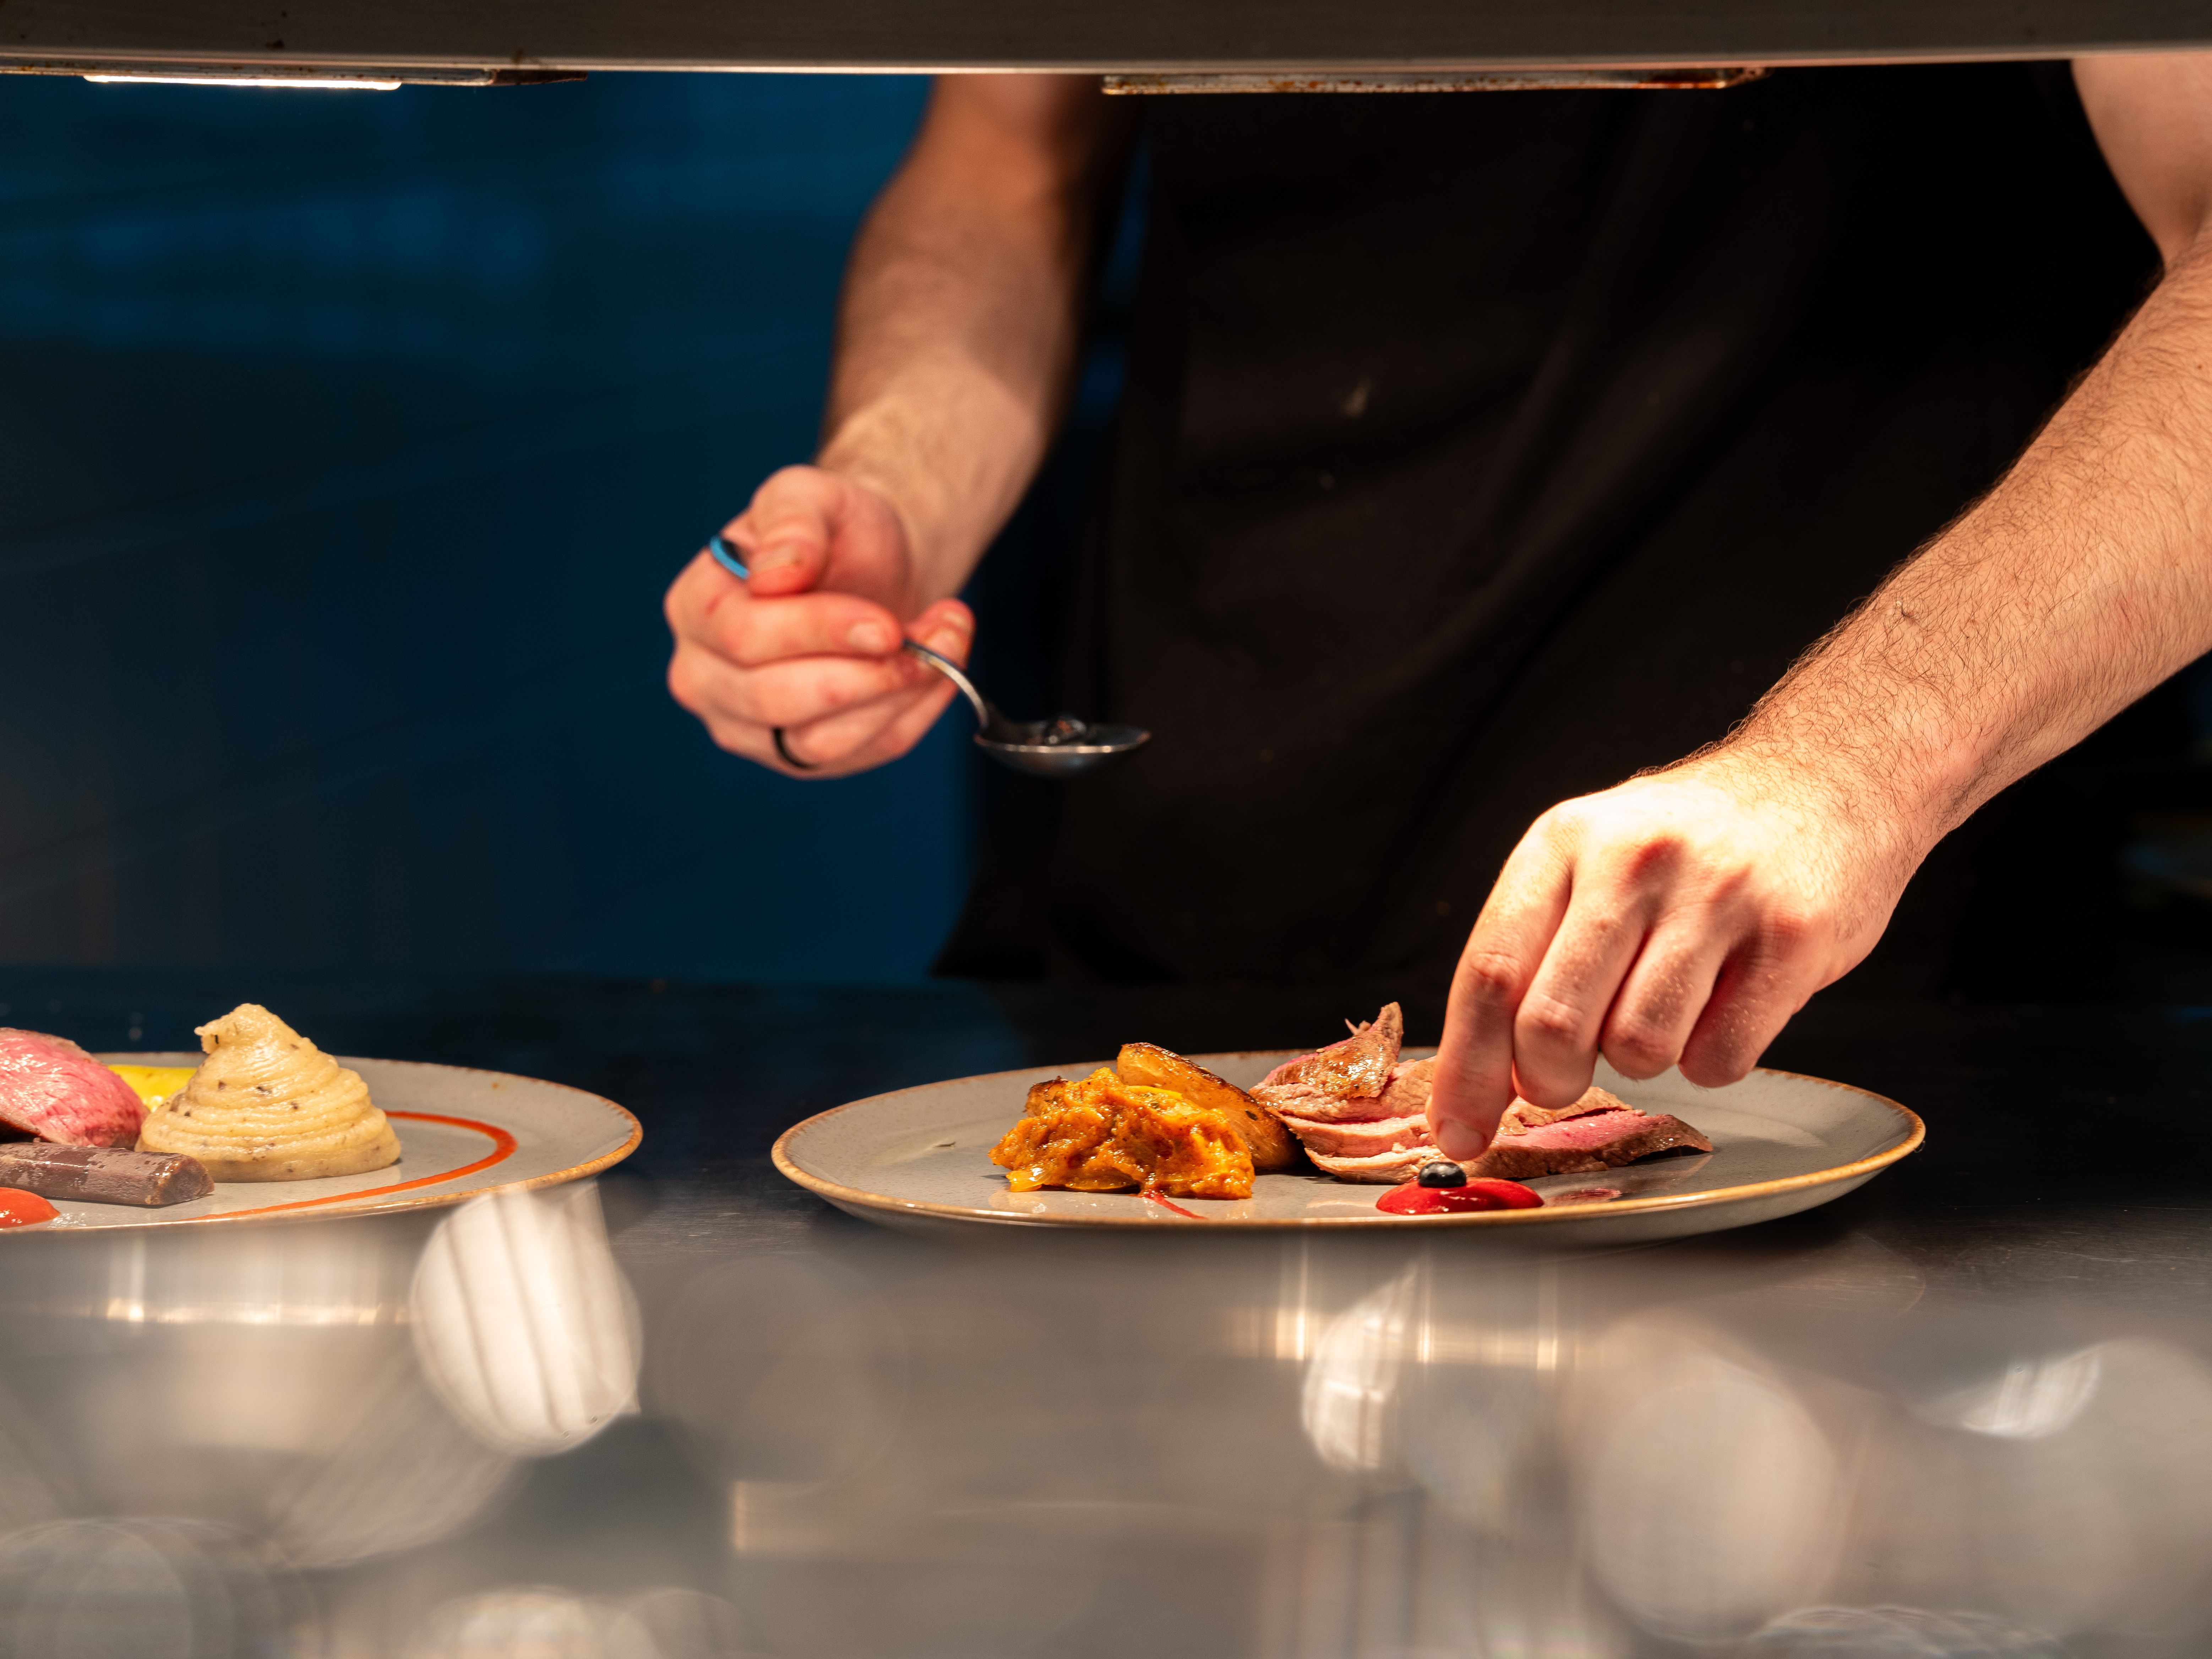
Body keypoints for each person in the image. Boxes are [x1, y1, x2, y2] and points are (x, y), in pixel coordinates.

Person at [665, 56, 2212, 1159]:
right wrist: (894, 496)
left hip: (1813, 974)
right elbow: (1003, 158)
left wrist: (1847, 765)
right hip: (1169, 904)